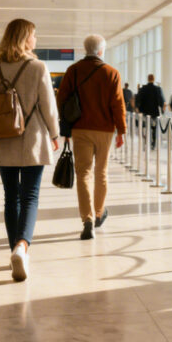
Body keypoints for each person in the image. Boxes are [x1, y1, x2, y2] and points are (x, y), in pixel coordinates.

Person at [0, 19, 60, 281]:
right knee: (30, 197)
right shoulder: (37, 67)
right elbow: (48, 105)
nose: (35, 40)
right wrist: (55, 133)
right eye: (33, 36)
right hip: (32, 139)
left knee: (10, 197)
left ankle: (14, 248)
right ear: (25, 38)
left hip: (3, 138)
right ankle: (22, 247)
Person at [56, 35, 125, 240]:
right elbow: (117, 104)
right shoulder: (112, 73)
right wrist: (121, 130)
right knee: (101, 173)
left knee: (83, 173)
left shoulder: (74, 71)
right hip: (105, 130)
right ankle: (98, 213)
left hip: (80, 129)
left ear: (84, 49)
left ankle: (87, 220)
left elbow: (61, 99)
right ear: (101, 51)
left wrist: (66, 126)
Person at [135, 74, 165, 149]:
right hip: (155, 112)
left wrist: (137, 108)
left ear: (148, 79)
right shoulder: (157, 89)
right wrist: (162, 110)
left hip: (145, 112)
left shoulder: (143, 88)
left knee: (146, 127)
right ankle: (153, 143)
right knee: (154, 128)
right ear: (154, 79)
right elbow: (161, 100)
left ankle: (147, 141)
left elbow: (138, 98)